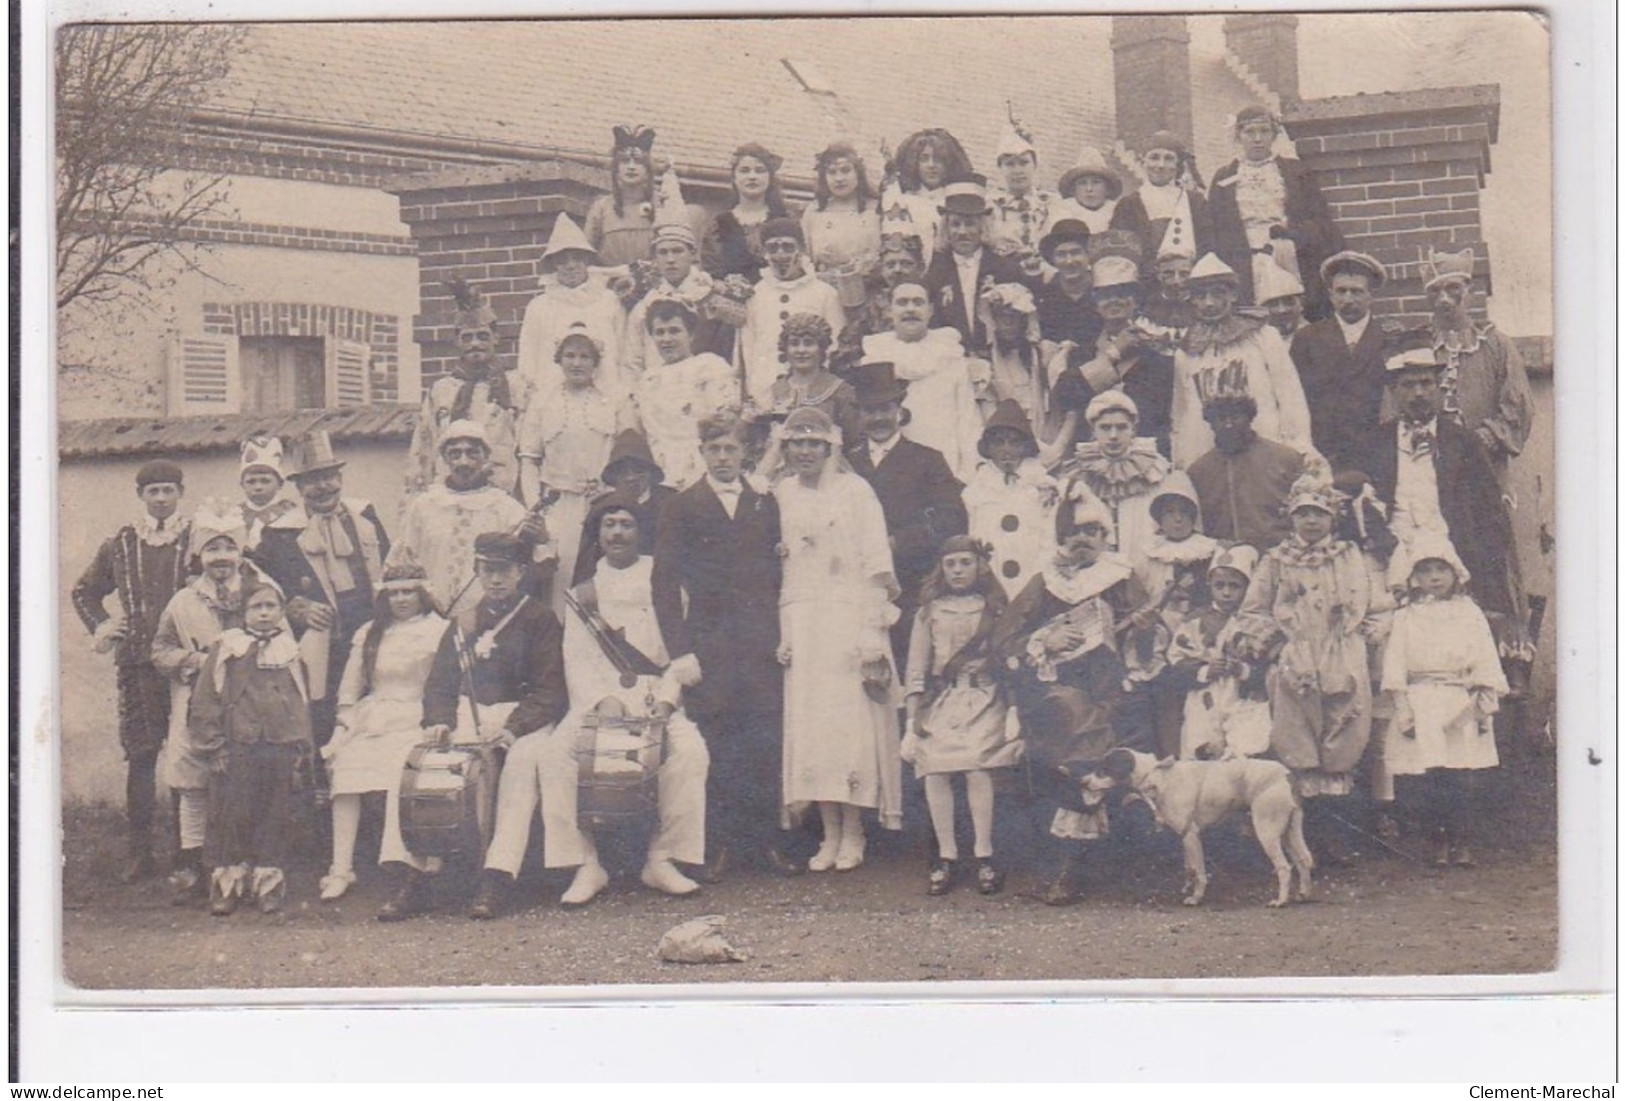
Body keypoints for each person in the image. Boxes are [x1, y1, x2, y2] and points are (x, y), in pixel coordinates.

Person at [530, 497, 710, 906]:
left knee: (690, 754)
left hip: (655, 694)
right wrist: (602, 701)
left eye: (626, 524)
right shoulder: (580, 593)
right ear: (597, 534)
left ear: (640, 532)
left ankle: (662, 858)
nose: (616, 533)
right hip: (599, 698)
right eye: (608, 525)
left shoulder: (664, 582)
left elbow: (679, 650)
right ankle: (585, 863)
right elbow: (575, 658)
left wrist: (667, 702)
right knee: (555, 757)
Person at [386, 533, 569, 921]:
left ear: (521, 572)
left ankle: (497, 875)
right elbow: (439, 684)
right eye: (488, 571)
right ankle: (417, 872)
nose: (496, 580)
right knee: (415, 760)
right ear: (477, 572)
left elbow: (550, 689)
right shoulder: (462, 622)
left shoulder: (539, 619)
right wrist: (439, 721)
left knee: (522, 765)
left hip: (524, 718)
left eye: (504, 571)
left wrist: (513, 729)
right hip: (470, 713)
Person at [991, 482, 1157, 904]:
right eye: (1071, 534)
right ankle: (1067, 861)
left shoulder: (1120, 578)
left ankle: (1081, 861)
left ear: (1105, 536)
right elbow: (1005, 638)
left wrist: (1142, 632)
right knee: (1070, 718)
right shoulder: (1043, 581)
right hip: (1056, 688)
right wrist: (1044, 640)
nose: (1081, 541)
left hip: (1114, 687)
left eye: (1091, 532)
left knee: (1101, 725)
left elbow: (1155, 636)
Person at [652, 413, 794, 879]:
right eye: (714, 449)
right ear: (702, 453)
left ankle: (767, 843)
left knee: (763, 740)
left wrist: (783, 634)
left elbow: (781, 575)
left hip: (759, 640)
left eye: (731, 449)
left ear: (745, 453)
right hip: (709, 641)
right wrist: (680, 651)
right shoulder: (683, 505)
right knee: (718, 741)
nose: (723, 458)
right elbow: (664, 583)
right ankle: (719, 846)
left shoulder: (763, 502)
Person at [1348, 334, 1531, 666]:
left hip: (1449, 556)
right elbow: (1361, 507)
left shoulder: (1462, 443)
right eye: (1408, 385)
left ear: (1438, 387)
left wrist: (1485, 576)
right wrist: (1386, 546)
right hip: (1391, 557)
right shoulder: (1372, 444)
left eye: (1426, 383)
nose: (1418, 392)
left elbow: (1490, 515)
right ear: (1393, 390)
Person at [777, 407, 904, 871]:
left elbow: (875, 562)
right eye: (797, 443)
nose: (805, 451)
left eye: (814, 443)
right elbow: (783, 568)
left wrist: (873, 629)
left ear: (830, 447)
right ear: (786, 448)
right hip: (804, 622)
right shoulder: (782, 493)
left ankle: (855, 832)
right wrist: (785, 630)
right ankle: (828, 834)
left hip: (847, 619)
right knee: (812, 729)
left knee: (848, 727)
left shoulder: (856, 492)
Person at [1242, 471, 1382, 862]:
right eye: (1303, 513)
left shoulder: (1349, 556)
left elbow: (1367, 603)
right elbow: (1254, 609)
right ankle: (1304, 841)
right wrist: (1275, 643)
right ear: (1291, 517)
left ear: (1332, 517)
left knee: (1344, 727)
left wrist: (1355, 638)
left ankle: (1339, 836)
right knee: (1298, 735)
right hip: (1296, 655)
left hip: (1341, 651)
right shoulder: (1276, 560)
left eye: (1319, 513)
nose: (1311, 522)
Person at [72, 458, 193, 883]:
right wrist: (107, 626)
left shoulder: (197, 538)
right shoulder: (121, 544)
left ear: (181, 493)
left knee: (186, 755)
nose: (161, 498)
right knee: (142, 757)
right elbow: (84, 592)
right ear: (140, 496)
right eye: (152, 491)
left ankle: (187, 852)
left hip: (184, 666)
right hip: (138, 665)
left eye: (168, 490)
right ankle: (140, 852)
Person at [149, 503, 270, 903]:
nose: (221, 557)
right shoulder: (184, 601)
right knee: (194, 784)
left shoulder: (262, 592)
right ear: (199, 555)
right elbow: (160, 649)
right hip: (195, 703)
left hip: (249, 702)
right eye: (212, 549)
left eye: (228, 548)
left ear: (241, 552)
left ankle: (246, 867)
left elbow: (284, 641)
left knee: (246, 781)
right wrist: (195, 661)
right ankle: (194, 863)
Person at [250, 430, 390, 755]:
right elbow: (258, 589)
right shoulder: (279, 534)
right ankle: (325, 799)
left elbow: (388, 567)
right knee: (324, 726)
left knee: (372, 721)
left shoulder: (365, 518)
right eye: (312, 480)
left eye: (328, 477)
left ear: (340, 478)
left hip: (369, 639)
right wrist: (295, 608)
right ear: (298, 487)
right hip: (322, 650)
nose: (322, 487)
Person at [317, 562, 446, 902]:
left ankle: (409, 864)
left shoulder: (439, 630)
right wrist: (345, 725)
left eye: (408, 592)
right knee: (345, 772)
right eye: (394, 593)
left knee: (399, 773)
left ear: (422, 594)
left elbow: (446, 684)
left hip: (417, 716)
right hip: (374, 716)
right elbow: (349, 689)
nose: (401, 599)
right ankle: (341, 868)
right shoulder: (370, 632)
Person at [1378, 534, 1508, 868]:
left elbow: (1484, 656)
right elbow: (1396, 662)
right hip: (1422, 701)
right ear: (1414, 577)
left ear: (1455, 573)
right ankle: (1436, 842)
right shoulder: (1407, 616)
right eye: (1425, 571)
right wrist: (1403, 706)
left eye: (1441, 569)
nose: (1434, 577)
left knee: (1461, 774)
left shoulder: (1470, 612)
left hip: (1459, 700)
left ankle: (1462, 842)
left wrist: (1483, 702)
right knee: (1428, 776)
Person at [903, 536, 1023, 897]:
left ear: (980, 566)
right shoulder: (929, 612)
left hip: (987, 698)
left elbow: (1011, 663)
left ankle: (984, 856)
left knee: (976, 766)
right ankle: (946, 857)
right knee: (935, 767)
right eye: (951, 563)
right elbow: (916, 671)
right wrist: (910, 724)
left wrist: (1014, 709)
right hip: (943, 700)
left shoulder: (997, 609)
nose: (957, 570)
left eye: (965, 562)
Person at [187, 581, 310, 916]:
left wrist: (300, 744)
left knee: (276, 815)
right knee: (232, 814)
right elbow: (206, 699)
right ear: (243, 613)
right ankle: (228, 883)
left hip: (279, 745)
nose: (265, 613)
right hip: (238, 745)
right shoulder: (228, 647)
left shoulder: (290, 650)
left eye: (272, 606)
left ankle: (268, 882)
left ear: (282, 613)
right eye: (257, 607)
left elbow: (300, 699)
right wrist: (214, 746)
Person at [843, 361, 969, 669]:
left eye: (885, 408)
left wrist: (898, 542)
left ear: (899, 409)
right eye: (870, 411)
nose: (878, 418)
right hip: (856, 586)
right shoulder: (845, 465)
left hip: (912, 584)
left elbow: (951, 520)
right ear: (859, 415)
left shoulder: (927, 460)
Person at [516, 322, 635, 613]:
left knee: (605, 582)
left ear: (596, 361)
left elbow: (628, 454)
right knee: (561, 583)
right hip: (559, 506)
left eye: (585, 356)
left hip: (604, 504)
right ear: (559, 359)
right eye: (570, 355)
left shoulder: (615, 400)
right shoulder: (543, 401)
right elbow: (529, 460)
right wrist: (535, 507)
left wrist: (614, 496)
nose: (577, 363)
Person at [391, 420, 549, 620]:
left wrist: (541, 537)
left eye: (473, 452)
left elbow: (531, 564)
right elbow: (405, 561)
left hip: (488, 618)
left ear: (486, 457)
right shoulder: (423, 506)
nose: (463, 462)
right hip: (430, 617)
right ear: (444, 459)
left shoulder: (506, 507)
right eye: (455, 454)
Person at [1170, 252, 1314, 467]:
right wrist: (1183, 459)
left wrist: (1298, 446)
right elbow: (1182, 412)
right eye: (1201, 296)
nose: (1209, 303)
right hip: (1208, 452)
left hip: (1264, 446)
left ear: (1233, 295)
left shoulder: (1264, 336)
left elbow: (1290, 395)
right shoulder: (1187, 351)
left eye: (1217, 294)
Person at [1049, 230, 1176, 458]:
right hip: (1089, 457)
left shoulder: (1155, 352)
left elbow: (1162, 415)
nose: (1114, 301)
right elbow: (1065, 395)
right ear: (1095, 303)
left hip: (1144, 458)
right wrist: (1113, 352)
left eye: (1123, 293)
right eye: (1106, 295)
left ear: (1135, 301)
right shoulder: (1082, 351)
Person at [1207, 106, 1344, 318]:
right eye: (1250, 133)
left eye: (1264, 131)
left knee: (1292, 316)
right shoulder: (1224, 177)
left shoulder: (1296, 172)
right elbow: (1214, 229)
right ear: (1238, 136)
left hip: (1288, 257)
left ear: (1274, 134)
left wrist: (1293, 237)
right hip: (1243, 263)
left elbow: (1320, 220)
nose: (1257, 139)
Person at [1420, 247, 1535, 483]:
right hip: (1429, 468)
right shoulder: (1418, 346)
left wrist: (1481, 440)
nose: (1444, 299)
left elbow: (1519, 407)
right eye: (1435, 291)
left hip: (1486, 465)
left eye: (1453, 288)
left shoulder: (1496, 344)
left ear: (1468, 291)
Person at [1129, 470, 1221, 757]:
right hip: (1161, 634)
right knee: (1164, 696)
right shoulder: (1148, 553)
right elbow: (1140, 598)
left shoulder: (1210, 551)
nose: (1177, 520)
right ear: (1159, 518)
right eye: (1169, 513)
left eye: (1184, 512)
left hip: (1202, 635)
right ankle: (1169, 758)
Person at [1165, 544, 1283, 760]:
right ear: (1210, 585)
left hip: (1244, 698)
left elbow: (1272, 668)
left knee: (1244, 752)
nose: (1226, 592)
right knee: (1202, 749)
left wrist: (1243, 670)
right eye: (1220, 585)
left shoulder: (1260, 626)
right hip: (1205, 697)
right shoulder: (1195, 621)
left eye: (1235, 586)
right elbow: (1176, 662)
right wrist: (1204, 671)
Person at [407, 280, 521, 497]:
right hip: (450, 492)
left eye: (483, 336)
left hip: (502, 493)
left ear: (496, 339)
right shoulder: (441, 391)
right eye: (467, 337)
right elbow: (423, 450)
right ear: (456, 342)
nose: (475, 344)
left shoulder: (517, 387)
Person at [860, 282, 984, 481]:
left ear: (930, 310)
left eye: (918, 303)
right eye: (902, 303)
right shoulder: (875, 357)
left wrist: (966, 476)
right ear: (890, 310)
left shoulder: (950, 357)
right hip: (889, 467)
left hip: (943, 465)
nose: (910, 309)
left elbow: (968, 423)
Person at [1290, 251, 1393, 472]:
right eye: (1341, 291)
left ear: (1370, 296)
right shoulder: (1307, 339)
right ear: (1330, 294)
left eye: (1356, 292)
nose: (1348, 299)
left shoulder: (1390, 339)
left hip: (1377, 454)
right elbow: (1294, 400)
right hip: (1324, 453)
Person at [1185, 374, 1313, 550]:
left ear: (1250, 417)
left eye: (1236, 417)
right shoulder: (1199, 471)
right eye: (1221, 419)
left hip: (1281, 557)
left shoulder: (1286, 458)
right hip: (1225, 566)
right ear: (1211, 424)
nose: (1229, 425)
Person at [1056, 390, 1173, 571]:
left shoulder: (1153, 470)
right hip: (1095, 569)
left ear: (1133, 429)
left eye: (1121, 427)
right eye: (1105, 427)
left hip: (1143, 558)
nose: (1113, 436)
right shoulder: (1078, 473)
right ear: (1093, 431)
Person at [631, 297, 741, 491]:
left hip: (700, 465)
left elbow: (724, 422)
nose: (666, 339)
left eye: (674, 331)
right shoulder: (647, 379)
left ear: (690, 335)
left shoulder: (709, 365)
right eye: (659, 332)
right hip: (660, 469)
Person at [515, 215, 628, 402]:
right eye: (562, 260)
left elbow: (624, 353)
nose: (571, 265)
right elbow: (527, 359)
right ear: (553, 264)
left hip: (605, 396)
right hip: (552, 398)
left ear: (587, 261)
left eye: (577, 258)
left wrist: (621, 394)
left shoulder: (609, 301)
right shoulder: (539, 307)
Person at [738, 218, 847, 404]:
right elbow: (747, 347)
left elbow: (836, 345)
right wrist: (752, 389)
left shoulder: (824, 293)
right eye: (773, 248)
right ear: (764, 253)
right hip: (765, 389)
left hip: (814, 391)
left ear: (802, 250)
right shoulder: (755, 294)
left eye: (788, 247)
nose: (780, 254)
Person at [922, 173, 1032, 356]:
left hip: (999, 358)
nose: (962, 232)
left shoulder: (1006, 268)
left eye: (970, 224)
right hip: (951, 361)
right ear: (946, 228)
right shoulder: (936, 272)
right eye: (955, 224)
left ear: (982, 227)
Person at [963, 400, 1060, 601]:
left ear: (1026, 447)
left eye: (1015, 442)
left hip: (1035, 586)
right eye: (998, 442)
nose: (1006, 450)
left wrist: (1039, 584)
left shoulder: (1045, 488)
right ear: (987, 448)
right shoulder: (974, 492)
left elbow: (1051, 541)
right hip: (990, 587)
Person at [622, 207, 733, 382]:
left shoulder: (712, 299)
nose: (670, 259)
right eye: (663, 253)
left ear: (692, 253)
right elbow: (632, 364)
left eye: (678, 251)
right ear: (655, 258)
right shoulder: (643, 308)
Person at [571, 428, 676, 586]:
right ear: (613, 475)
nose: (631, 477)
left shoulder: (672, 504)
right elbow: (586, 564)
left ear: (650, 472)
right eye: (623, 471)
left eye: (639, 470)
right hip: (614, 586)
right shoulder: (601, 508)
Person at [1109, 130, 1212, 275]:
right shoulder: (1128, 205)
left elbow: (1207, 246)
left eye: (1169, 158)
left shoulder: (1195, 201)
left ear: (1177, 164)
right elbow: (1123, 254)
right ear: (1142, 161)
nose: (1161, 165)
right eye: (1154, 157)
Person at [760, 313, 861, 456]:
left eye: (808, 343)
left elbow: (854, 440)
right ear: (785, 349)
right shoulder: (775, 390)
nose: (801, 350)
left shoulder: (840, 390)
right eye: (794, 343)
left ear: (821, 348)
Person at [831, 229, 926, 376]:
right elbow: (849, 347)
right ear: (882, 269)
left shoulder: (931, 302)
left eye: (906, 264)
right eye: (890, 265)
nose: (898, 270)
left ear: (920, 268)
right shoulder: (870, 306)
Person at [880, 128, 975, 268]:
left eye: (938, 159)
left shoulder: (960, 201)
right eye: (924, 159)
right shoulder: (902, 201)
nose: (931, 165)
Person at [801, 142, 882, 304]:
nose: (839, 178)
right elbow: (804, 257)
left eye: (846, 171)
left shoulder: (875, 209)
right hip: (825, 293)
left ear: (858, 173)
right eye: (832, 172)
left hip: (870, 292)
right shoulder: (814, 212)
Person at [703, 143, 795, 285]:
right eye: (744, 171)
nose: (752, 177)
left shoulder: (785, 219)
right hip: (731, 302)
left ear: (770, 178)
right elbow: (711, 272)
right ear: (734, 178)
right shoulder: (720, 224)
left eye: (760, 170)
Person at [584, 123, 662, 267]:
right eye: (625, 161)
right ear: (616, 169)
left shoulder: (661, 206)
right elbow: (586, 255)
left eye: (638, 162)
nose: (631, 167)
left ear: (648, 171)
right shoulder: (601, 208)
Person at [985, 111, 1057, 267]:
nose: (1017, 171)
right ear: (1000, 168)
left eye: (1024, 163)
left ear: (1035, 165)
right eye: (1010, 164)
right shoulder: (990, 207)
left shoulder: (1052, 204)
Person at [978, 281, 1047, 438]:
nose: (1008, 324)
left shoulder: (1039, 357)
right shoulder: (985, 362)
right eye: (1002, 317)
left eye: (1013, 317)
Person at [1034, 219, 1105, 368]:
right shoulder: (1043, 296)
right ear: (1052, 259)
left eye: (1076, 252)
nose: (1069, 261)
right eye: (1061, 254)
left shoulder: (1104, 290)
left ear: (1089, 255)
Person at [234, 436, 297, 551]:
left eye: (265, 481)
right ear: (242, 484)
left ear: (280, 483)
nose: (258, 487)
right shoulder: (235, 514)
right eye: (251, 481)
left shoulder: (290, 512)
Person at [1052, 145, 1123, 236]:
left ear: (1107, 189)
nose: (1089, 189)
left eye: (1096, 182)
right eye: (1082, 183)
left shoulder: (1117, 212)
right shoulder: (1063, 210)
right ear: (1073, 190)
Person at [1255, 259, 1307, 342]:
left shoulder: (1315, 337)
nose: (1282, 310)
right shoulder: (1258, 343)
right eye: (1273, 304)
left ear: (1302, 303)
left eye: (1288, 301)